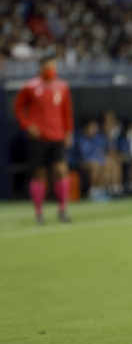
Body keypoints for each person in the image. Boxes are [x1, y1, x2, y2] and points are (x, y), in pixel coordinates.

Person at [14, 53, 74, 223]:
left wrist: (68, 132)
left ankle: (62, 210)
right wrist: (27, 125)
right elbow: (18, 108)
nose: (51, 69)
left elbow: (67, 111)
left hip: (57, 136)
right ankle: (39, 212)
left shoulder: (62, 86)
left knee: (61, 170)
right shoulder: (30, 86)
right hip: (39, 137)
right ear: (41, 67)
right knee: (39, 173)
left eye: (53, 66)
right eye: (48, 66)